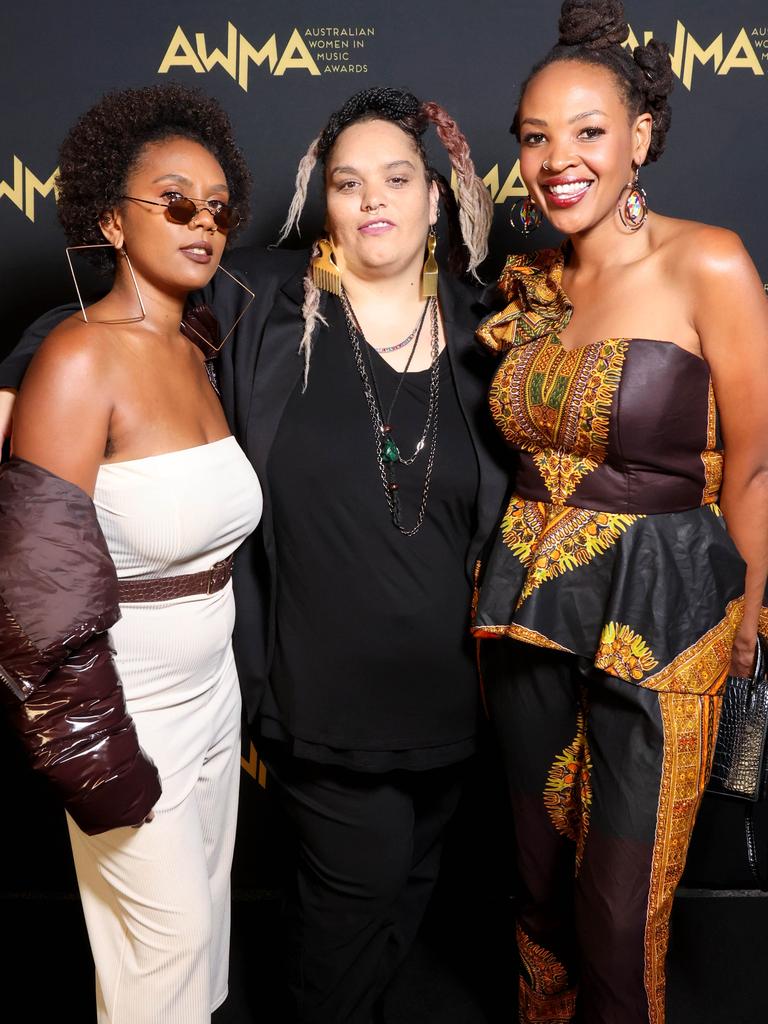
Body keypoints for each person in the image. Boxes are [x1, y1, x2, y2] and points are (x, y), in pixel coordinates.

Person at [0, 86, 507, 1022]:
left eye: (398, 178)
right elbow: (101, 333)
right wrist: (18, 397)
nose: (374, 200)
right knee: (261, 948)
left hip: (443, 710)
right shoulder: (266, 302)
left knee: (373, 919)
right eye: (349, 183)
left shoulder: (491, 328)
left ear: (436, 197)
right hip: (307, 707)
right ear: (325, 203)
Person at [471, 2, 768, 1022]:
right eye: (535, 136)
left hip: (668, 616)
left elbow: (760, 466)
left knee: (619, 904)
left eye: (589, 131)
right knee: (539, 881)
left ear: (639, 137)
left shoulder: (709, 263)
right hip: (525, 618)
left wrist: (745, 628)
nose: (559, 158)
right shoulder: (534, 284)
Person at [0, 84, 261, 1023]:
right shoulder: (77, 359)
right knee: (166, 958)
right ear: (112, 220)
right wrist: (94, 754)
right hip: (123, 708)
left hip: (212, 700)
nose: (204, 223)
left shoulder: (200, 346)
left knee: (194, 971)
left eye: (219, 208)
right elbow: (34, 601)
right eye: (176, 202)